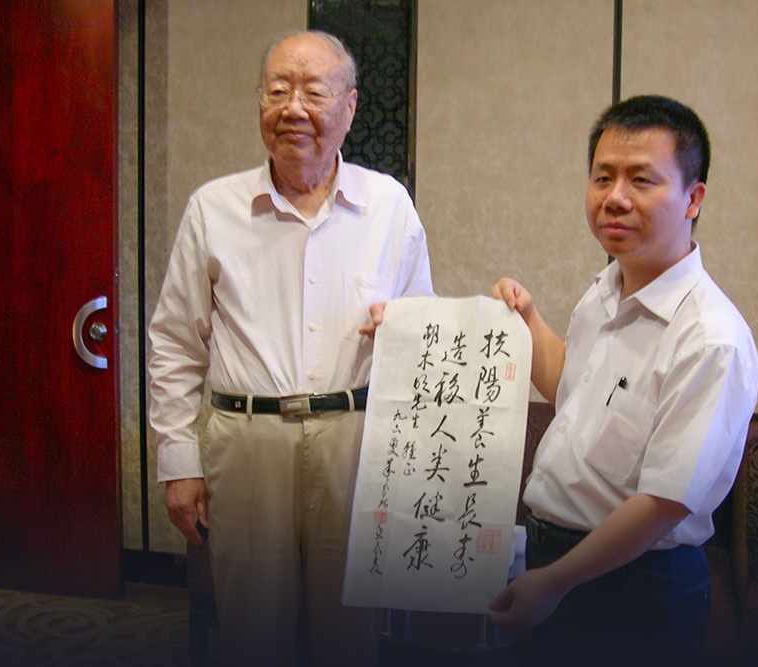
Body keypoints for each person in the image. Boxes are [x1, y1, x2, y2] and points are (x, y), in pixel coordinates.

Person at [148, 30, 433, 667]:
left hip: (355, 443)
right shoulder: (213, 208)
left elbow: (426, 336)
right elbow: (174, 344)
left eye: (313, 92)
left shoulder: (389, 206)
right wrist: (179, 463)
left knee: (352, 632)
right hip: (246, 442)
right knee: (252, 632)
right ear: (259, 103)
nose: (293, 109)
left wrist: (405, 328)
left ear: (350, 107)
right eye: (277, 91)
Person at [486, 95, 758, 666]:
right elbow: (572, 389)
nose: (615, 197)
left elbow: (664, 503)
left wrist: (556, 581)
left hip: (635, 587)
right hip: (555, 561)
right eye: (603, 176)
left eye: (642, 179)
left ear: (693, 198)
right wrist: (527, 319)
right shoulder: (606, 290)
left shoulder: (711, 337)